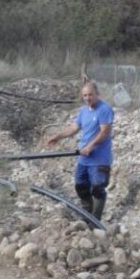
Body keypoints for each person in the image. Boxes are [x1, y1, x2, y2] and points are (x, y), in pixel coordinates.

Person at [46, 82, 114, 221]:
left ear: (97, 94)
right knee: (80, 186)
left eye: (90, 95)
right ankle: (86, 214)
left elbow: (104, 132)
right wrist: (57, 137)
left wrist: (90, 146)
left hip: (99, 159)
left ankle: (95, 221)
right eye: (85, 95)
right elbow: (73, 128)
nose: (87, 98)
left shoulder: (104, 109)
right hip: (84, 158)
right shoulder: (84, 111)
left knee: (97, 188)